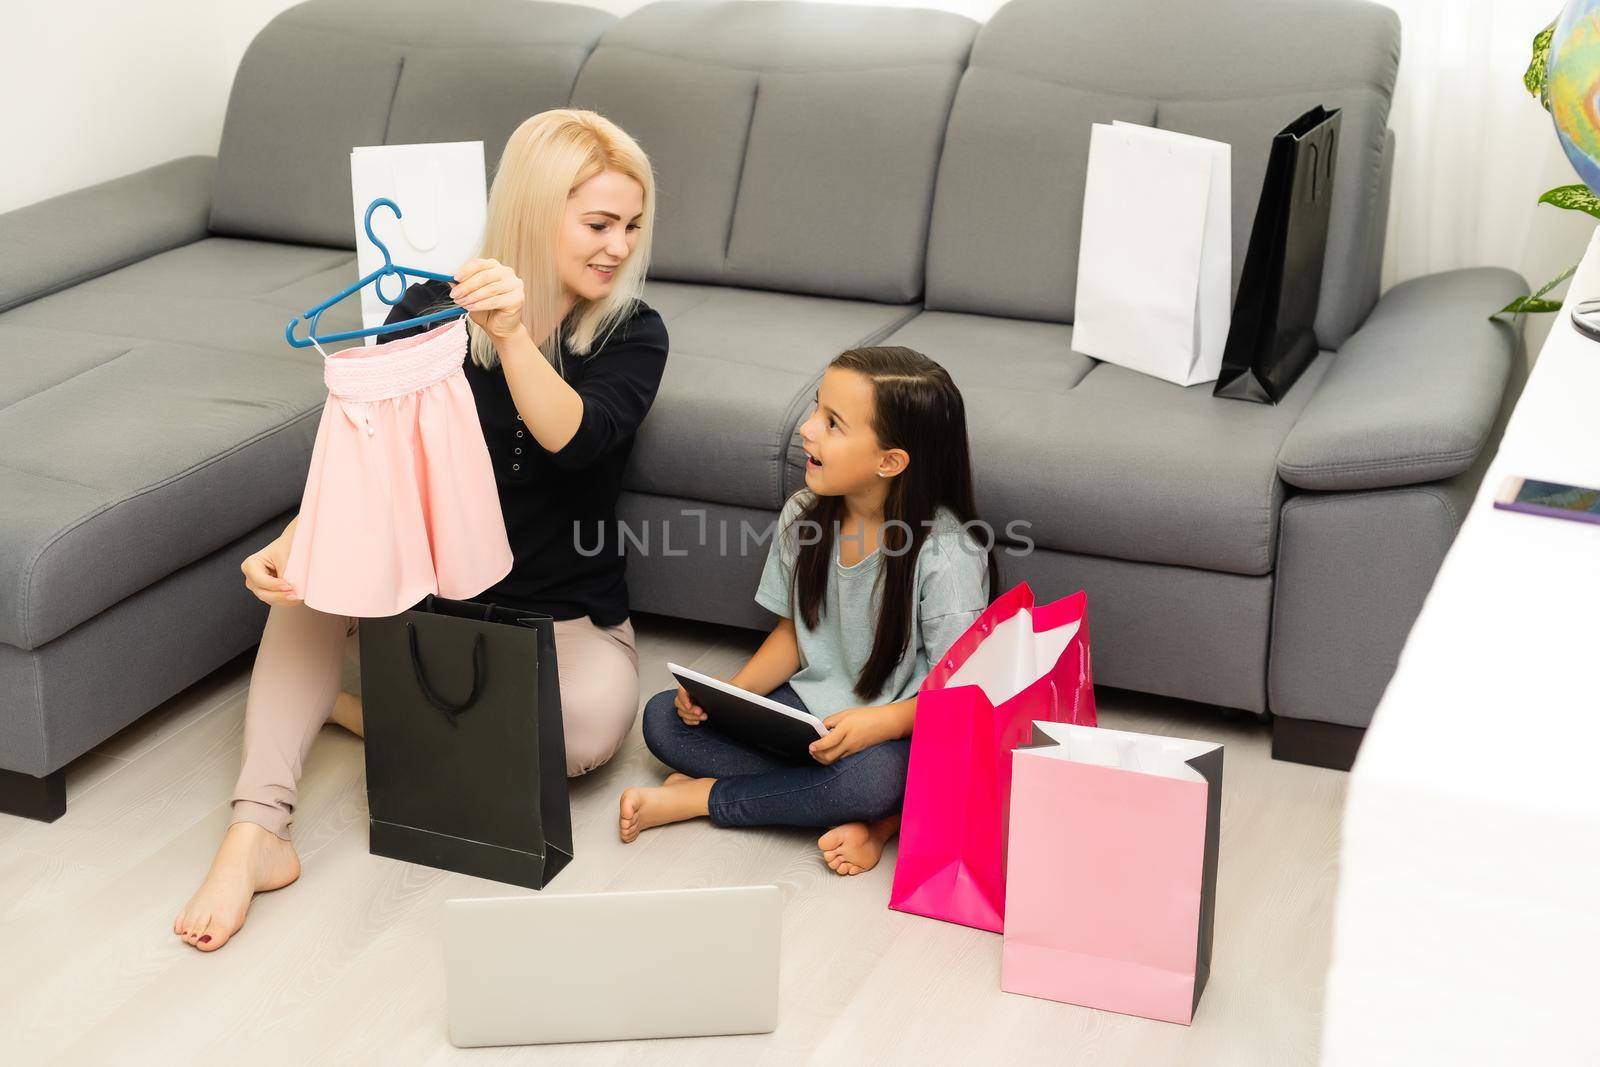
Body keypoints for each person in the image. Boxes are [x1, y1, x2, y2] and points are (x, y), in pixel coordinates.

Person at [175, 110, 666, 952]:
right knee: (310, 579)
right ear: (533, 210)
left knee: (582, 737)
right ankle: (258, 830)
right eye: (597, 223)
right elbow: (367, 466)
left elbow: (575, 436)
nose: (617, 246)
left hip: (563, 617)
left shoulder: (633, 333)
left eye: (631, 226)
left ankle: (356, 705)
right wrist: (298, 541)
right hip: (433, 600)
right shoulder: (427, 307)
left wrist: (511, 334)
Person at [621, 347, 996, 876]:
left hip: (895, 732)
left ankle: (709, 799)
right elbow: (795, 635)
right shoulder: (804, 514)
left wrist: (879, 724)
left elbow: (958, 696)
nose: (806, 429)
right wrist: (730, 697)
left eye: (832, 423)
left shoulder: (947, 554)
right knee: (663, 719)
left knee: (870, 782)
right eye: (817, 409)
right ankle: (843, 807)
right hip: (808, 714)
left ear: (890, 462)